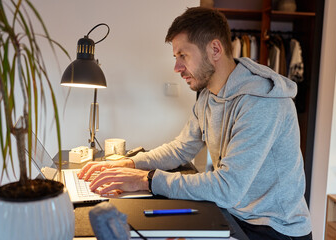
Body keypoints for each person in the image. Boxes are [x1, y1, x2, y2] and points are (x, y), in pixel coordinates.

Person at [78, 7, 312, 240]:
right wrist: (131, 164)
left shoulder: (261, 102)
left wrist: (147, 180)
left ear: (215, 49)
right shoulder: (209, 95)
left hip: (275, 229)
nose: (177, 68)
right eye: (176, 57)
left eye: (183, 56)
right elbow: (181, 148)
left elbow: (227, 188)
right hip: (235, 212)